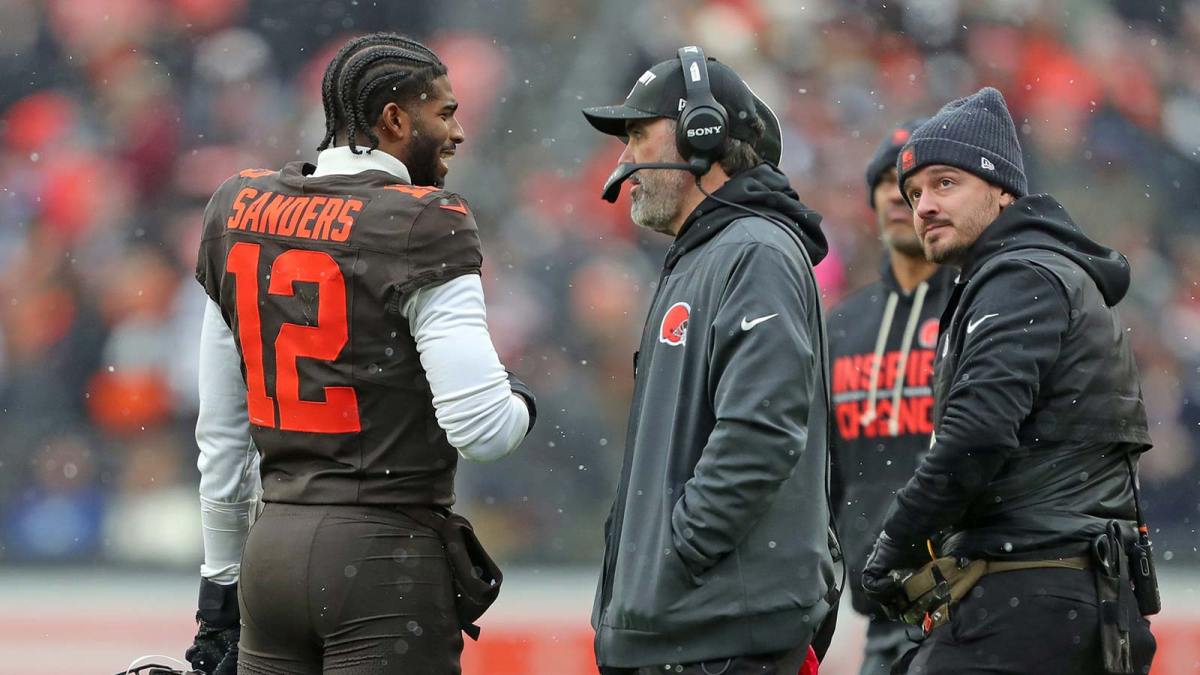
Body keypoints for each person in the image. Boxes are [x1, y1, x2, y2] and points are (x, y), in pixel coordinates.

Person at [184, 32, 536, 675]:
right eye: (446, 113)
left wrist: (218, 588)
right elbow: (483, 429)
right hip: (382, 560)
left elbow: (223, 437)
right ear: (395, 119)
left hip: (273, 558)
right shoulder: (425, 221)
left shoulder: (238, 207)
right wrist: (521, 401)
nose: (458, 133)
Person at [861, 87, 1156, 674]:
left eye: (946, 184)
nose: (922, 206)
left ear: (1001, 191)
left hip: (1032, 595)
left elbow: (978, 433)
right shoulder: (1030, 272)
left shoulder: (1020, 275)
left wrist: (894, 544)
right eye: (914, 191)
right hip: (1064, 593)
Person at [582, 47, 835, 675]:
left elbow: (762, 430)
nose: (625, 160)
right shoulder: (711, 253)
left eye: (638, 134)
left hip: (717, 638)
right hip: (694, 633)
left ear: (703, 133)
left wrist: (679, 555)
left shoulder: (755, 251)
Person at [828, 116, 956, 675]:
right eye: (890, 183)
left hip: (970, 598)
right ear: (875, 200)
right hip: (879, 604)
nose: (903, 198)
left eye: (921, 185)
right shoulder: (841, 325)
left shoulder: (977, 309)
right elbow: (823, 466)